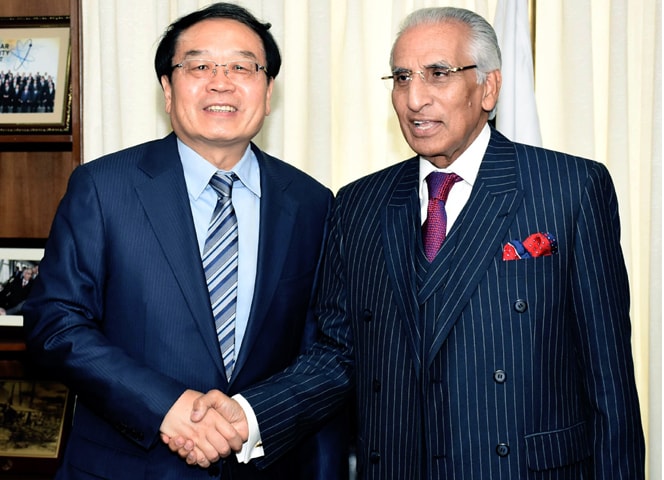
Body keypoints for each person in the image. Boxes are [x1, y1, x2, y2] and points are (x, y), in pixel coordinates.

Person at [172, 6, 646, 479]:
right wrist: (250, 415)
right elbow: (338, 354)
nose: (415, 98)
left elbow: (609, 381)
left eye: (438, 74)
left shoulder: (569, 187)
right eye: (401, 78)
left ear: (489, 87)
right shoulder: (359, 204)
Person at [23, 3, 347, 479]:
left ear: (268, 89)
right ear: (168, 89)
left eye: (242, 66)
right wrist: (165, 406)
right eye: (199, 66)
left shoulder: (313, 203)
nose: (221, 81)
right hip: (127, 467)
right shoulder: (103, 187)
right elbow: (55, 323)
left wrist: (253, 417)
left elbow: (323, 348)